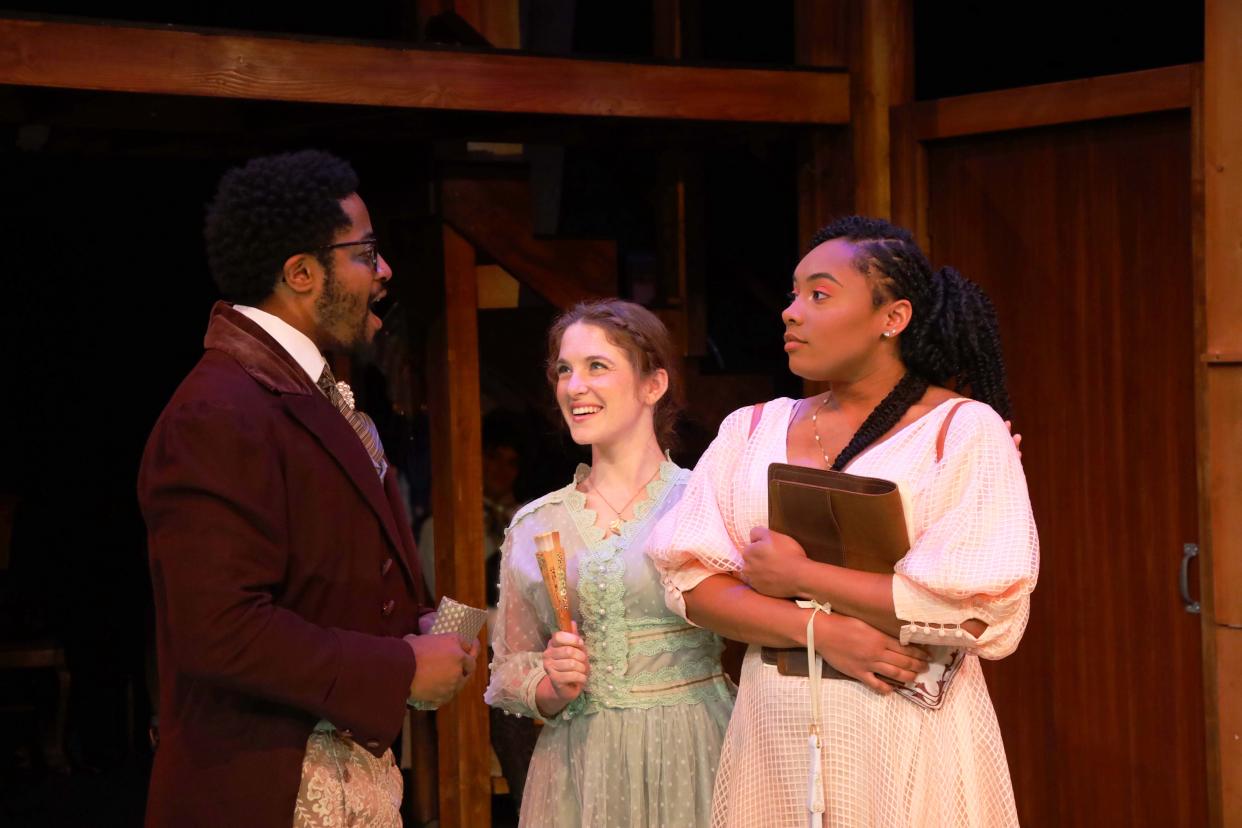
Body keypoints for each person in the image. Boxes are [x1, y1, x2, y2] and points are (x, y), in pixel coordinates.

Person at [649, 216, 1039, 827]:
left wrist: (802, 575)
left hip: (906, 728)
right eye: (793, 294)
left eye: (819, 295)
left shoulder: (960, 432)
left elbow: (978, 610)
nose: (792, 312)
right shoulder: (752, 430)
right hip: (774, 732)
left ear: (893, 317)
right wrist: (821, 631)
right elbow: (691, 584)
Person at [138, 149, 477, 828]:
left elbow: (316, 583)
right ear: (300, 273)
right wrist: (397, 667)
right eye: (366, 253)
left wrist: (409, 630)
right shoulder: (220, 410)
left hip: (344, 781)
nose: (384, 271)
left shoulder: (308, 397)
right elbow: (219, 631)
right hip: (268, 790)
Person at [485, 300, 734, 827]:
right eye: (564, 370)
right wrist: (550, 687)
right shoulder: (536, 524)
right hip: (581, 760)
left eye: (597, 366)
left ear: (653, 385)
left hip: (692, 748)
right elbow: (509, 665)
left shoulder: (706, 502)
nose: (575, 386)